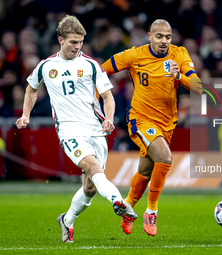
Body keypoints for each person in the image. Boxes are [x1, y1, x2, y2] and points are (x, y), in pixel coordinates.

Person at [15, 15, 137, 243]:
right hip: (69, 130)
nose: (77, 46)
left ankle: (67, 220)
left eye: (80, 42)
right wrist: (25, 114)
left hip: (95, 129)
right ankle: (119, 202)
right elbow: (31, 89)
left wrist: (109, 118)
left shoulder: (90, 64)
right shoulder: (46, 66)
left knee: (90, 187)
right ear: (60, 40)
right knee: (92, 167)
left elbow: (108, 97)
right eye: (73, 42)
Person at [102, 19, 202, 236]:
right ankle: (152, 211)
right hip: (140, 119)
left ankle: (127, 207)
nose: (164, 41)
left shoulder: (179, 54)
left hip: (167, 124)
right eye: (159, 36)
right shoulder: (134, 55)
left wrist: (180, 77)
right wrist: (97, 95)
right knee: (165, 158)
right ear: (149, 36)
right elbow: (101, 71)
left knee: (146, 171)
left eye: (168, 37)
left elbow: (198, 88)